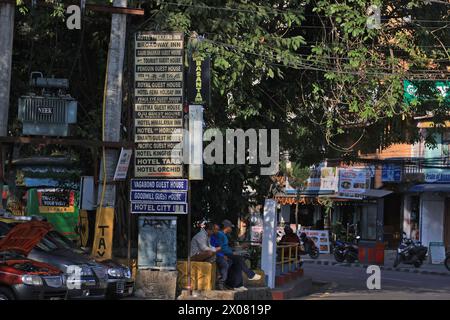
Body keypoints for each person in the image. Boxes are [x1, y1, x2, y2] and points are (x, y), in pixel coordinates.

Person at [214, 219, 261, 291]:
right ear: (227, 227)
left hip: (229, 253)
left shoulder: (224, 235)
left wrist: (238, 248)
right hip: (224, 254)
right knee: (239, 259)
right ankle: (250, 275)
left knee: (239, 261)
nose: (231, 229)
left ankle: (238, 285)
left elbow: (226, 247)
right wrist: (231, 253)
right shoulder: (220, 234)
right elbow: (220, 247)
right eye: (230, 227)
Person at [211, 224, 229, 290]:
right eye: (216, 229)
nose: (217, 231)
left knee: (231, 262)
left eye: (218, 229)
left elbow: (221, 248)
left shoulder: (218, 236)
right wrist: (222, 255)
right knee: (225, 264)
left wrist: (224, 255)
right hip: (213, 255)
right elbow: (213, 249)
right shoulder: (211, 237)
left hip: (219, 254)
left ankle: (225, 282)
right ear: (212, 230)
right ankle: (221, 282)